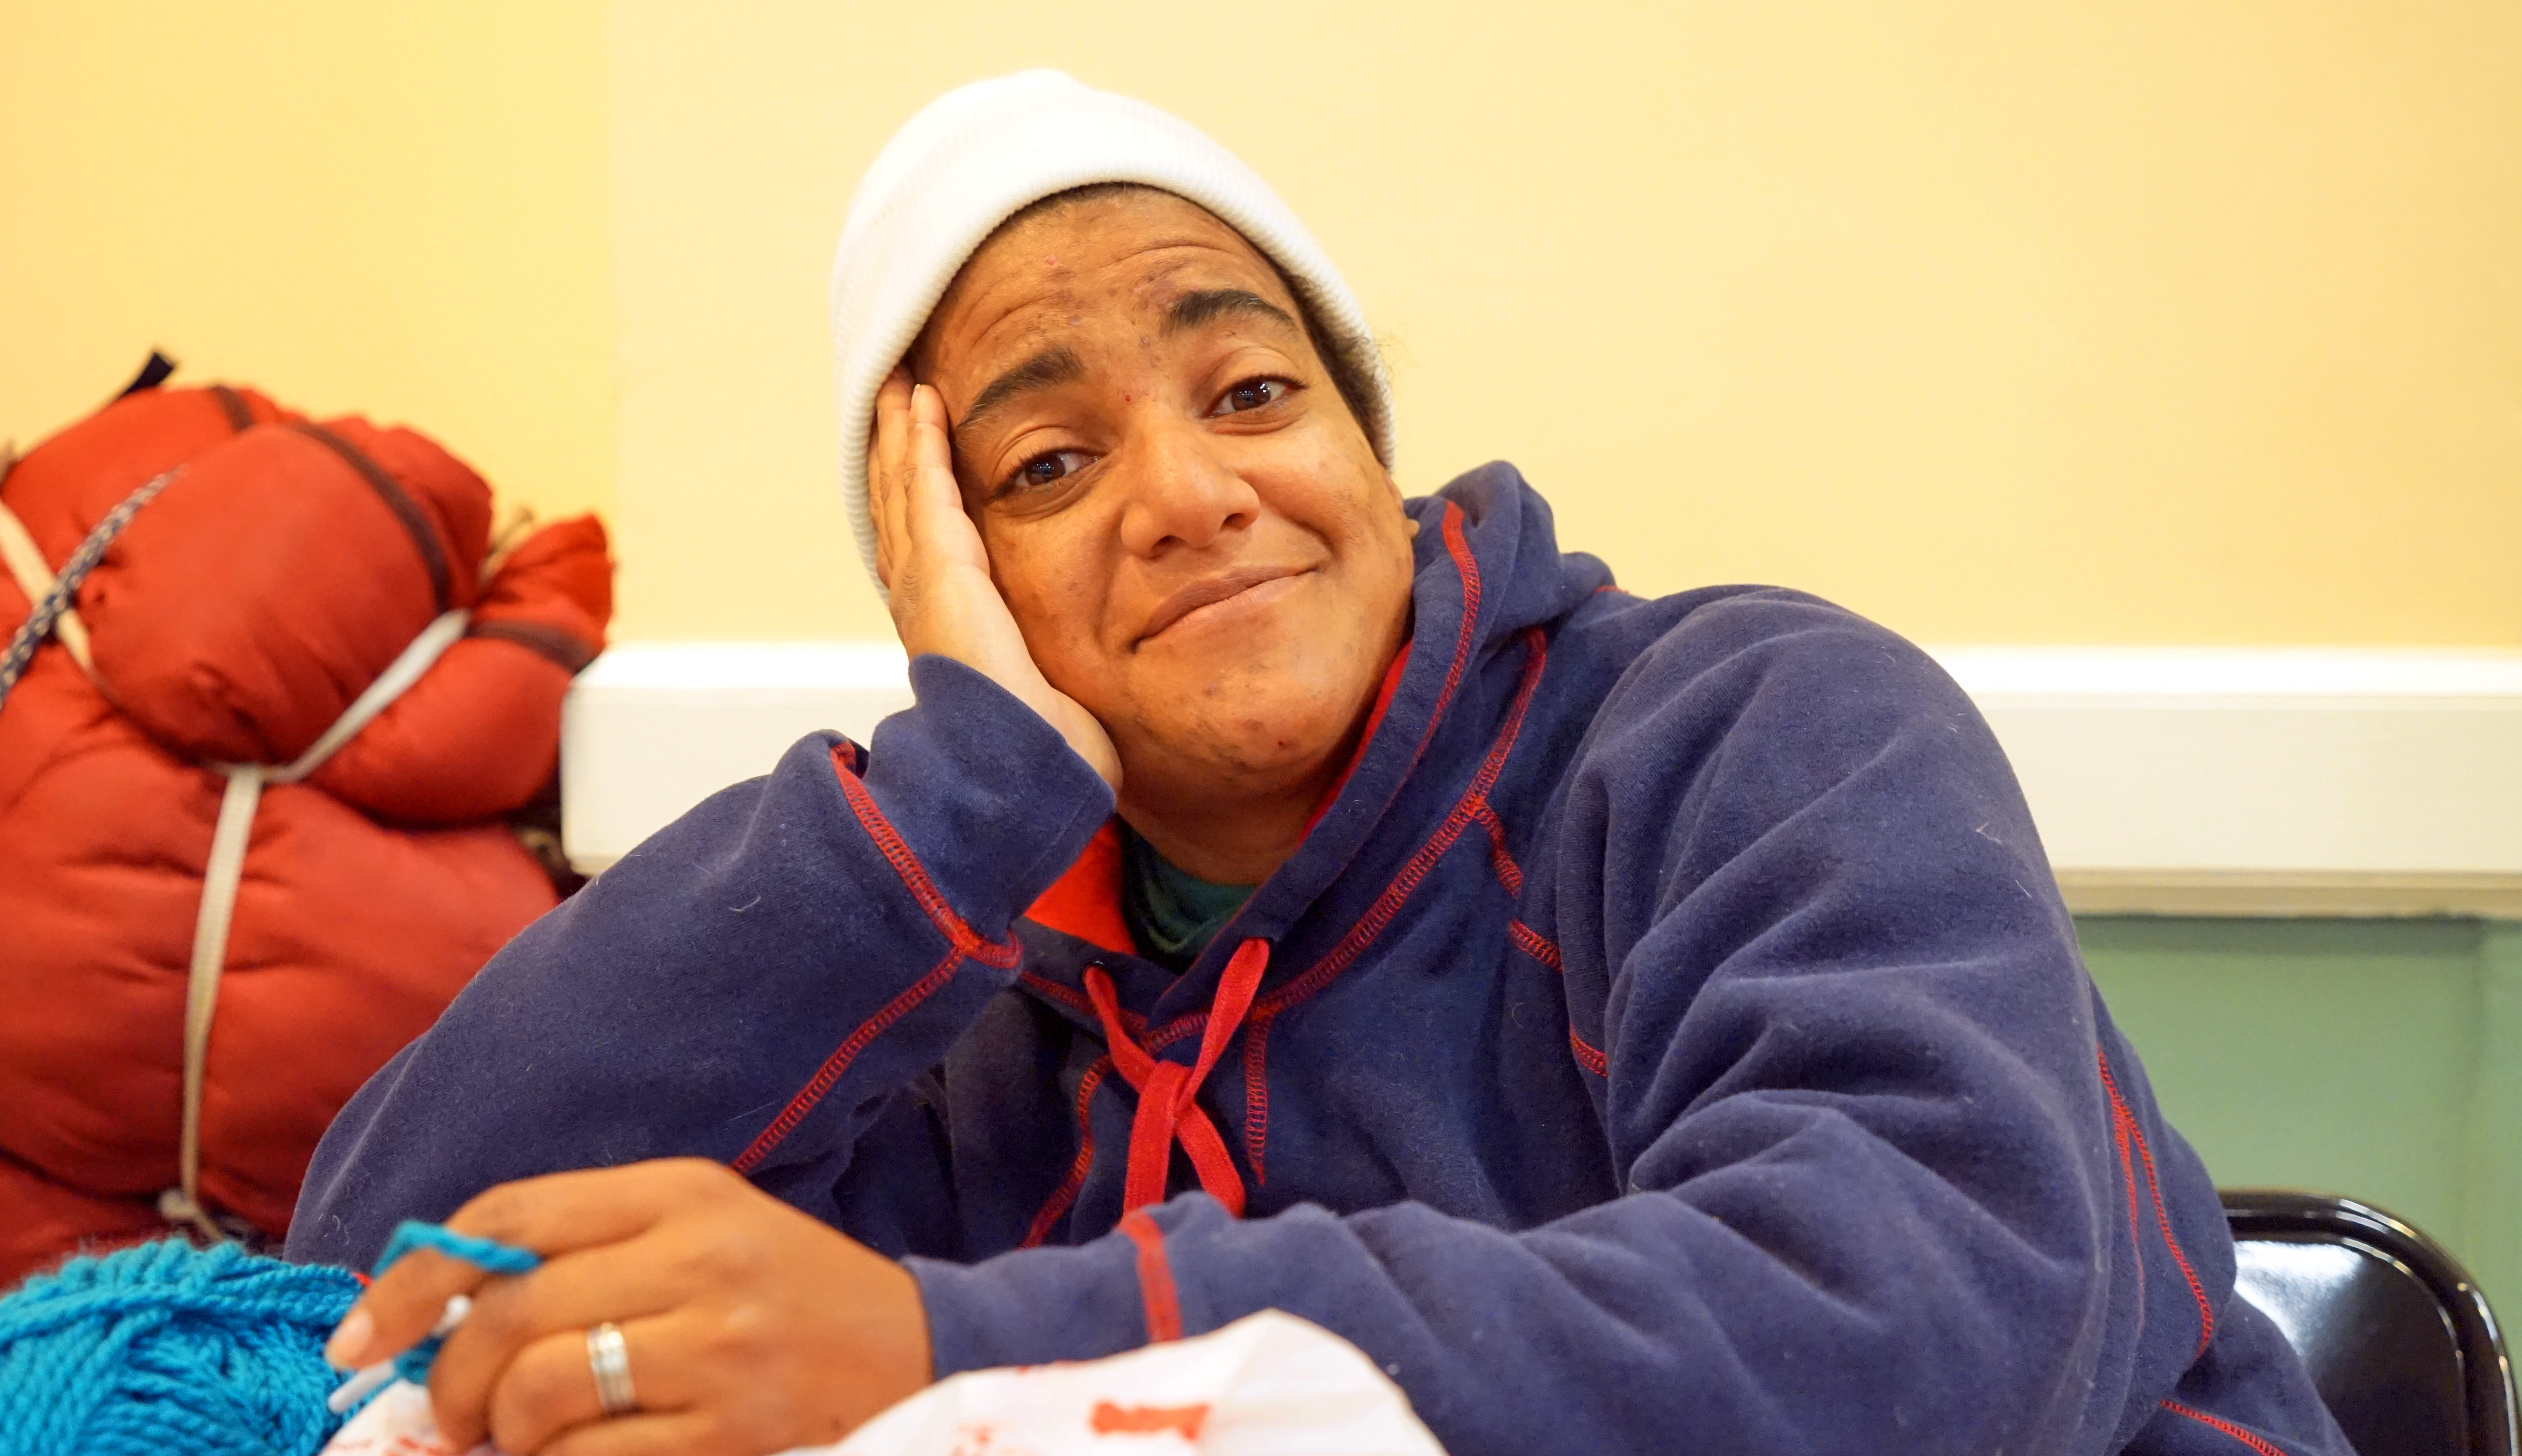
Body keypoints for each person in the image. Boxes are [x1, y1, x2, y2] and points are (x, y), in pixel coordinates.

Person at [291, 71, 2349, 1456]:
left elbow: (1921, 1312)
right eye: (1049, 461)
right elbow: (367, 1295)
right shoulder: (961, 982)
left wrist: (960, 1352)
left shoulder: (1751, 731)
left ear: (1371, 457)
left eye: (1250, 386)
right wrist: (946, 799)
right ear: (952, 579)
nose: (1187, 493)